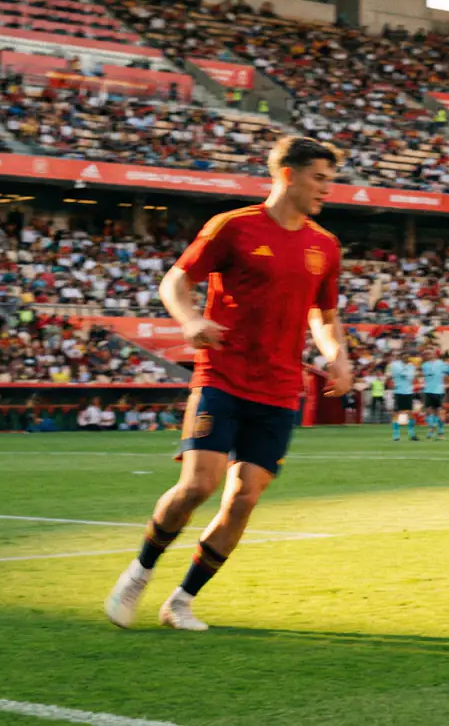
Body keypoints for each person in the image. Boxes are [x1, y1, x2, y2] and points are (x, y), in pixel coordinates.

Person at [103, 136, 351, 631]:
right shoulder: (233, 227)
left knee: (244, 497)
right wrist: (190, 321)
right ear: (287, 174)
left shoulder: (324, 245)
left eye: (330, 179)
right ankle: (139, 572)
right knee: (198, 484)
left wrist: (336, 354)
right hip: (223, 376)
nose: (327, 188)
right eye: (319, 178)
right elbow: (175, 281)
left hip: (280, 389)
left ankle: (181, 600)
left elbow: (324, 314)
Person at [419, 348, 449, 440]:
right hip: (428, 390)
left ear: (435, 354)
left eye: (429, 353)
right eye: (426, 354)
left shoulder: (441, 364)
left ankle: (440, 432)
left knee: (438, 411)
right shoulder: (425, 365)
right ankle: (432, 428)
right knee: (428, 411)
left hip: (438, 390)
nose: (427, 355)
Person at [389, 356, 418, 441]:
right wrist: (407, 372)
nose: (405, 358)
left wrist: (407, 373)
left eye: (407, 357)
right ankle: (396, 435)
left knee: (410, 413)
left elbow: (410, 377)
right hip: (399, 391)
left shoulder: (411, 366)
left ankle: (412, 434)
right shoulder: (395, 365)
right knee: (396, 413)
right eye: (404, 357)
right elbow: (403, 374)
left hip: (408, 392)